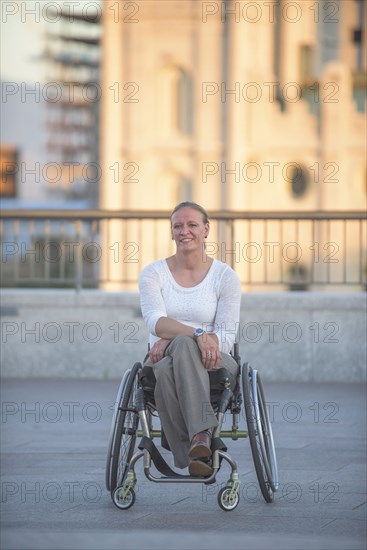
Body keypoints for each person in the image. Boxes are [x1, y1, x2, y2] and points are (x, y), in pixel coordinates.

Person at [138, 202, 241, 476]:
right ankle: (201, 440)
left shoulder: (225, 276)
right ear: (171, 233)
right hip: (163, 355)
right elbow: (155, 322)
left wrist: (173, 337)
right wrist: (197, 334)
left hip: (216, 360)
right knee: (178, 348)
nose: (185, 231)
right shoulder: (153, 273)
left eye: (192, 225)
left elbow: (227, 335)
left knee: (173, 357)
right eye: (178, 226)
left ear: (206, 230)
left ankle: (188, 452)